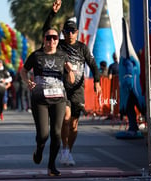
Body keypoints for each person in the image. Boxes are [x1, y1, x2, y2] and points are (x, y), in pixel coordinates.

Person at [43, 0, 101, 166]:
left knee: (74, 125)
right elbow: (46, 30)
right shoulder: (58, 46)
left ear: (77, 33)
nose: (70, 34)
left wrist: (97, 80)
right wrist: (52, 13)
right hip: (62, 88)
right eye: (67, 31)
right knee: (66, 118)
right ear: (63, 32)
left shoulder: (82, 48)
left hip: (78, 89)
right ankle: (64, 150)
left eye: (72, 31)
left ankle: (67, 150)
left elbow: (93, 65)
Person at [20, 27, 74, 176]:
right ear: (44, 40)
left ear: (58, 40)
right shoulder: (36, 55)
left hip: (59, 99)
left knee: (56, 133)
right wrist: (27, 81)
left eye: (55, 38)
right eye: (48, 38)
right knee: (43, 134)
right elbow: (23, 71)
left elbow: (71, 78)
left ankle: (51, 166)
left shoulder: (63, 56)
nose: (51, 41)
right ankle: (39, 149)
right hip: (40, 100)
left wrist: (70, 72)